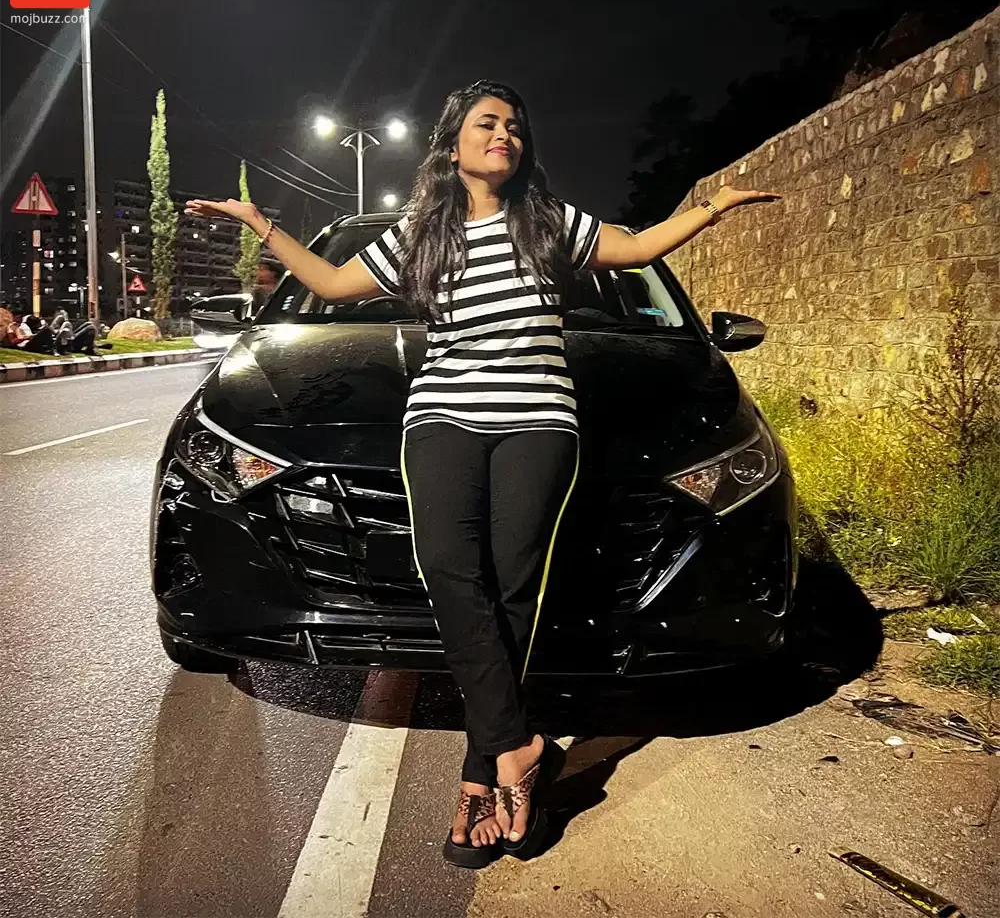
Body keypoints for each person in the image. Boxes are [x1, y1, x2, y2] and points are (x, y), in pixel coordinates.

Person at [185, 80, 780, 867]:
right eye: (488, 124)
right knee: (450, 575)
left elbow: (635, 250)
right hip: (442, 417)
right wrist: (262, 225)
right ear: (454, 144)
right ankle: (518, 745)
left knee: (512, 584)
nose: (505, 135)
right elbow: (331, 287)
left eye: (515, 127)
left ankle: (483, 768)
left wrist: (712, 206)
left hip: (537, 418)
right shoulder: (421, 235)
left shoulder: (548, 224)